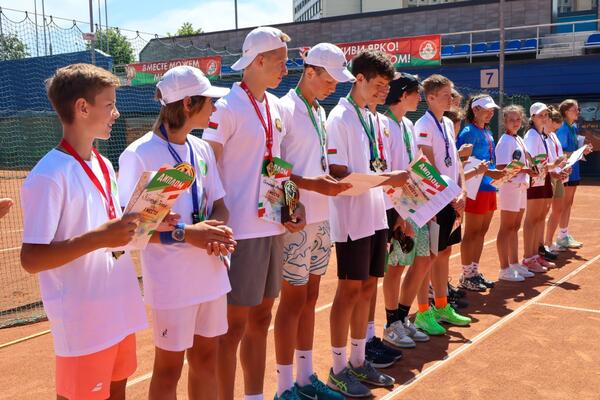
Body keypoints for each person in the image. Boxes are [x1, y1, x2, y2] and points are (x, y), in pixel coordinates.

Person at [19, 63, 147, 400]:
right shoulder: (48, 175)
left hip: (119, 306)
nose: (116, 113)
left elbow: (113, 227)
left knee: (118, 391)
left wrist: (148, 219)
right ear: (82, 107)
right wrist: (101, 238)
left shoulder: (104, 164)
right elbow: (32, 259)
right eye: (110, 105)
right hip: (84, 320)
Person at [118, 66, 236, 400]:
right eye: (209, 100)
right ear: (188, 103)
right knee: (169, 369)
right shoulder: (140, 154)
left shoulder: (201, 150)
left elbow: (220, 205)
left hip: (210, 273)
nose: (214, 107)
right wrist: (188, 234)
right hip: (171, 280)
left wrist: (217, 231)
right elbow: (130, 231)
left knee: (206, 359)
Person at [202, 27, 305, 400]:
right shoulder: (226, 108)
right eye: (280, 60)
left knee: (263, 318)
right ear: (258, 60)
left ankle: (255, 396)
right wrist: (213, 217)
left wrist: (292, 204)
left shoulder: (277, 107)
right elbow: (207, 164)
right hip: (238, 233)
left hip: (272, 226)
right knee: (233, 327)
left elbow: (283, 166)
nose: (286, 68)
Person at [273, 43, 355, 400]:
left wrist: (332, 175)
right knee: (291, 304)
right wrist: (294, 206)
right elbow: (276, 167)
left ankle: (306, 380)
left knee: (310, 298)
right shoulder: (284, 109)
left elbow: (310, 164)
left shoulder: (319, 111)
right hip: (297, 221)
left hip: (322, 219)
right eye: (330, 78)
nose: (335, 85)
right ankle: (284, 387)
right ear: (310, 72)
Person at [325, 50, 409, 397]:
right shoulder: (339, 118)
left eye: (387, 86)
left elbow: (378, 166)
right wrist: (387, 178)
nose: (383, 92)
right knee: (348, 291)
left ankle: (359, 361)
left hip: (376, 213)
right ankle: (338, 367)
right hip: (350, 216)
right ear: (358, 79)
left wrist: (391, 195)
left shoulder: (373, 119)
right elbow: (339, 173)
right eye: (378, 85)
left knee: (368, 287)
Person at [413, 74, 471, 336]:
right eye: (447, 94)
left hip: (450, 197)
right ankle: (423, 312)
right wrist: (447, 194)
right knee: (429, 257)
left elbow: (455, 161)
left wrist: (461, 191)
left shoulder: (448, 122)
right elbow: (427, 164)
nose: (452, 98)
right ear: (431, 97)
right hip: (435, 200)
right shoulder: (423, 124)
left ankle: (441, 305)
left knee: (445, 252)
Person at [381, 73, 432, 347]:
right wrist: (401, 214)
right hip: (394, 209)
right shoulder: (384, 125)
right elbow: (390, 175)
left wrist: (426, 202)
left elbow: (415, 168)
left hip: (414, 206)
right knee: (396, 266)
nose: (420, 98)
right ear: (403, 94)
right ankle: (391, 324)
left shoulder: (409, 125)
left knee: (419, 261)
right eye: (416, 92)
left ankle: (402, 318)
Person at [456, 95, 507, 291]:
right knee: (472, 233)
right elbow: (465, 163)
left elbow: (489, 161)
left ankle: (474, 272)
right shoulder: (468, 132)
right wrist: (490, 171)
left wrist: (498, 173)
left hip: (489, 187)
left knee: (482, 232)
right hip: (475, 189)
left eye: (492, 110)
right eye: (486, 109)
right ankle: (467, 275)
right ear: (475, 110)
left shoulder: (486, 131)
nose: (490, 113)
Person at [495, 105, 537, 281]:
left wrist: (531, 169)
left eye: (518, 119)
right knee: (506, 228)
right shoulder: (505, 140)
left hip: (520, 187)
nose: (515, 123)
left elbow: (523, 161)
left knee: (514, 227)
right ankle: (504, 268)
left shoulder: (518, 139)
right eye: (511, 119)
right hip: (510, 188)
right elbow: (501, 167)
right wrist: (526, 171)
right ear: (505, 121)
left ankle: (514, 263)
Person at [522, 102, 563, 272]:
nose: (544, 118)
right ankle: (528, 258)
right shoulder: (532, 135)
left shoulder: (541, 135)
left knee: (539, 219)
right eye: (540, 115)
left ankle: (535, 255)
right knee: (532, 219)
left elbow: (542, 163)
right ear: (532, 117)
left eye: (546, 115)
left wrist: (552, 169)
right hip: (535, 181)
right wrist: (553, 165)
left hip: (543, 179)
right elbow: (532, 163)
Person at [555, 99, 594, 249]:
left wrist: (582, 149)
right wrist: (579, 151)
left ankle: (564, 234)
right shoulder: (563, 128)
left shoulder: (573, 127)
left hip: (574, 169)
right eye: (574, 109)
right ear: (566, 112)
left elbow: (573, 148)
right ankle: (561, 236)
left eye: (577, 109)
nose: (578, 112)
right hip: (566, 169)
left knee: (568, 203)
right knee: (563, 204)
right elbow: (561, 152)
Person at [544, 106, 572, 253]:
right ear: (548, 121)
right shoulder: (541, 136)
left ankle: (549, 241)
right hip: (549, 177)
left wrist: (565, 166)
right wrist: (553, 172)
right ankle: (543, 245)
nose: (555, 131)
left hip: (558, 176)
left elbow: (559, 156)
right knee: (545, 211)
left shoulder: (553, 136)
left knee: (558, 209)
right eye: (554, 128)